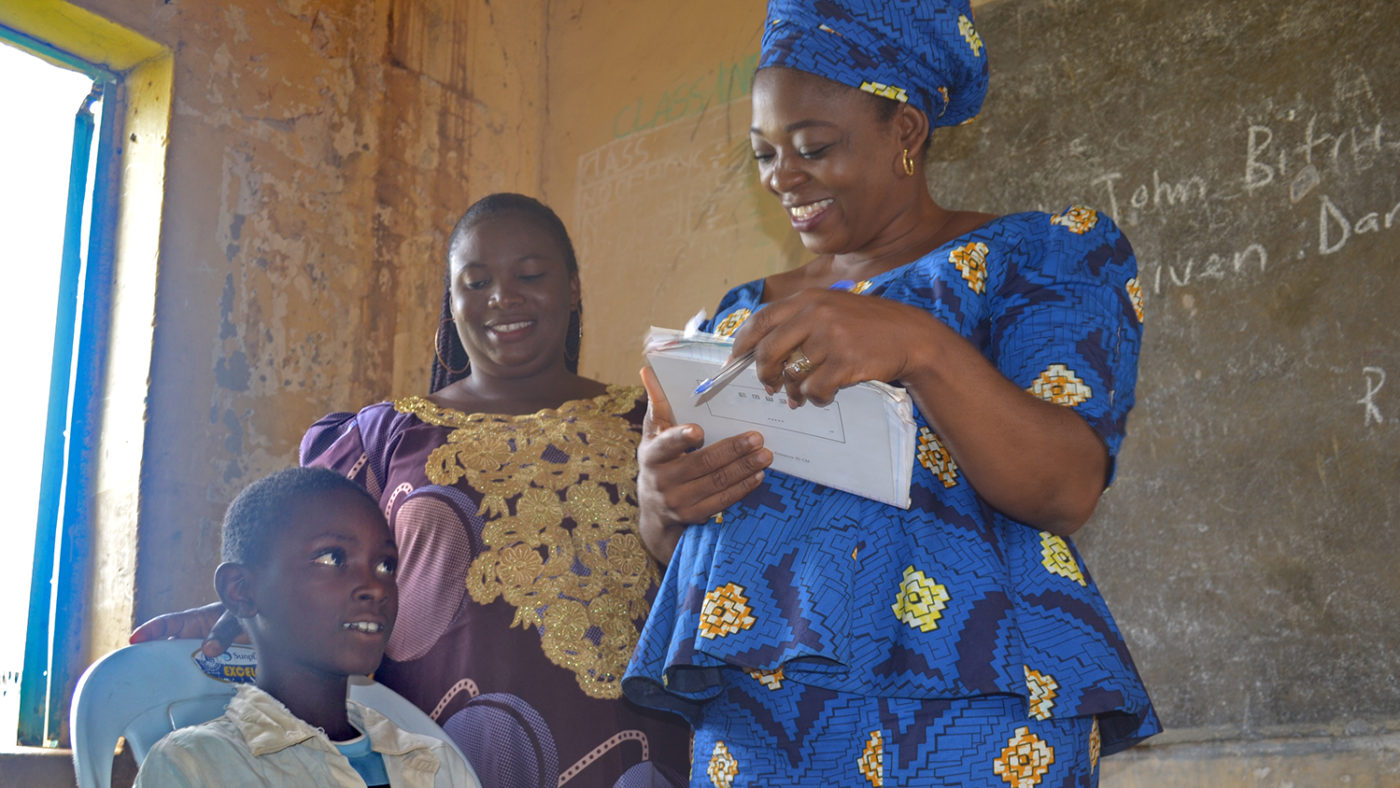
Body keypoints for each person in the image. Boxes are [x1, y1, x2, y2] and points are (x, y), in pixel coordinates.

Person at [623, 1, 1161, 785]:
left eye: (813, 147)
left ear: (905, 131)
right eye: (764, 153)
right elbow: (700, 550)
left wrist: (917, 346)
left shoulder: (1043, 256)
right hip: (765, 721)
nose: (783, 178)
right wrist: (662, 503)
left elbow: (1064, 485)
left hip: (971, 703)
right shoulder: (738, 317)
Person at [133, 194, 692, 788]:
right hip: (432, 751)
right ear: (451, 303)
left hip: (634, 744)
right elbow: (315, 565)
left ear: (574, 288)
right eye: (475, 283)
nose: (502, 297)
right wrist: (239, 609)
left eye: (530, 275)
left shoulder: (650, 420)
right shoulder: (384, 437)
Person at [134, 467, 480, 788]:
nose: (375, 586)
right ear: (240, 590)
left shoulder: (436, 764)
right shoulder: (196, 765)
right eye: (331, 558)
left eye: (386, 565)